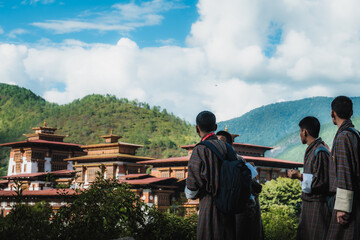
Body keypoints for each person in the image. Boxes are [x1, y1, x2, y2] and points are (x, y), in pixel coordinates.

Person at [185, 111, 236, 240]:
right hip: (230, 208)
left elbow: (192, 186)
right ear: (215, 127)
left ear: (197, 128)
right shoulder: (228, 148)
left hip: (209, 206)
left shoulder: (199, 150)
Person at [288, 116, 331, 240]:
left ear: (305, 132)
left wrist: (299, 176)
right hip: (310, 204)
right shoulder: (313, 149)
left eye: (300, 132)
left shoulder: (320, 151)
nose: (300, 135)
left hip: (317, 206)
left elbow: (322, 181)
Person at [216, 130, 264, 240]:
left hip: (243, 208)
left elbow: (253, 186)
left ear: (230, 145)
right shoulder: (217, 161)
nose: (220, 146)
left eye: (223, 143)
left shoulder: (240, 161)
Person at [326, 96, 360, 240]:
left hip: (346, 203)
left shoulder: (343, 137)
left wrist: (342, 207)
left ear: (332, 113)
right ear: (351, 112)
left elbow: (345, 171)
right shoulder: (355, 134)